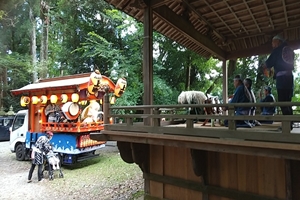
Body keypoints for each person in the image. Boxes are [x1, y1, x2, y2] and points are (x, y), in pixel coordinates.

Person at [261, 34, 294, 130]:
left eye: (273, 42)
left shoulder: (277, 50)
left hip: (282, 78)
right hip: (290, 77)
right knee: (288, 102)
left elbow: (268, 63)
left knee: (282, 101)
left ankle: (286, 125)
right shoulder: (289, 49)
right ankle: (290, 123)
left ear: (278, 42)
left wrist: (264, 66)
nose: (272, 44)